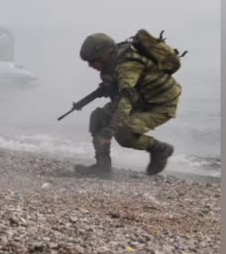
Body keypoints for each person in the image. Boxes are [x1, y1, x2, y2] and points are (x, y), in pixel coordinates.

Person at [75, 32, 181, 177]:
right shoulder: (112, 63)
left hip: (160, 105)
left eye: (93, 60)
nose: (90, 65)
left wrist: (111, 128)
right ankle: (102, 167)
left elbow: (126, 99)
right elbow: (120, 90)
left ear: (106, 54)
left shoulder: (128, 66)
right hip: (139, 100)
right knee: (98, 117)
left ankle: (159, 149)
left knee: (123, 132)